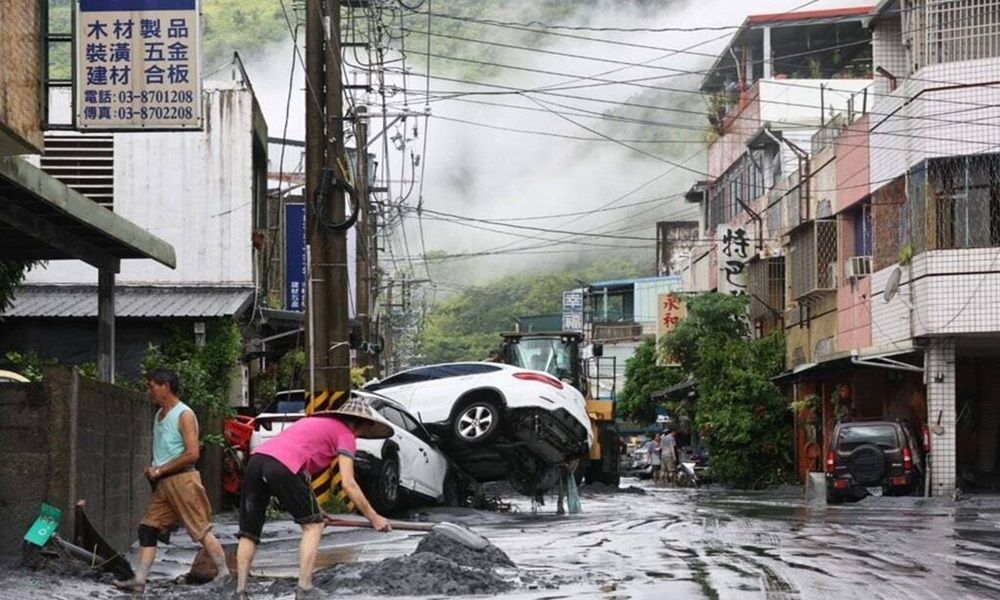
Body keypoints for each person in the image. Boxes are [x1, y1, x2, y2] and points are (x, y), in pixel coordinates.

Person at [235, 398, 394, 600]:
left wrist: (316, 510)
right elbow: (349, 483)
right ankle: (305, 588)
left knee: (249, 532)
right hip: (283, 466)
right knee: (313, 526)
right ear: (366, 424)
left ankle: (240, 592)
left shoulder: (313, 422)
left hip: (257, 461)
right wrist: (375, 518)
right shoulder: (346, 434)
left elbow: (301, 475)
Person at [112, 368, 230, 594]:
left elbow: (193, 453)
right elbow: (166, 450)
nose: (150, 392)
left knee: (200, 529)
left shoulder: (184, 414)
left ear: (165, 386)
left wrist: (160, 469)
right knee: (148, 528)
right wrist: (155, 469)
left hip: (183, 480)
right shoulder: (160, 415)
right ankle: (139, 581)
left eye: (152, 387)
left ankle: (224, 573)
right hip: (164, 484)